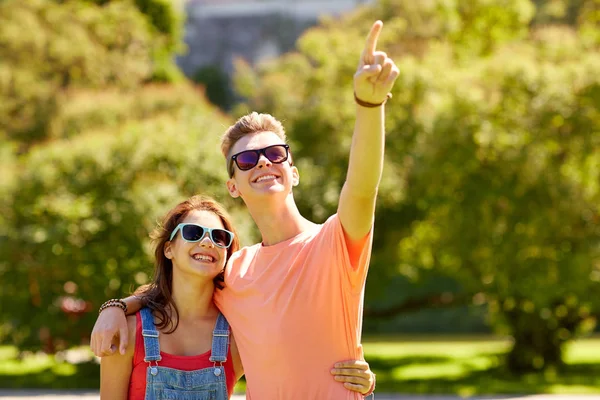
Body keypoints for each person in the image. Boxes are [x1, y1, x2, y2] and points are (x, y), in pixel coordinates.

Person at [92, 20, 398, 399]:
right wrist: (116, 307)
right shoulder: (233, 269)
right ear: (233, 186)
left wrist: (369, 105)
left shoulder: (336, 242)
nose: (264, 163)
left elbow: (363, 186)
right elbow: (175, 291)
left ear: (293, 172)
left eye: (275, 154)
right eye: (248, 158)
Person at [99, 195, 373, 399]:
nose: (207, 242)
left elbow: (297, 360)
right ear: (169, 249)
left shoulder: (236, 334)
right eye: (193, 233)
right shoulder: (125, 333)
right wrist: (115, 307)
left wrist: (361, 383)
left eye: (219, 237)